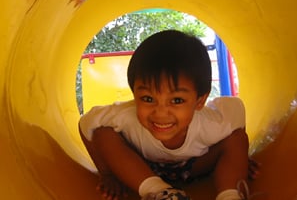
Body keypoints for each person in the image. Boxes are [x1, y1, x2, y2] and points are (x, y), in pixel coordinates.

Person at [79, 30, 258, 200]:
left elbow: (236, 112)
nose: (161, 113)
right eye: (148, 98)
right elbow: (86, 124)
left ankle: (229, 195)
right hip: (140, 168)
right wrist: (108, 173)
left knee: (237, 139)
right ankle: (159, 192)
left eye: (177, 100)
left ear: (199, 101)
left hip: (196, 166)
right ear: (134, 94)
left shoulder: (212, 123)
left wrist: (240, 160)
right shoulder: (125, 117)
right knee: (103, 134)